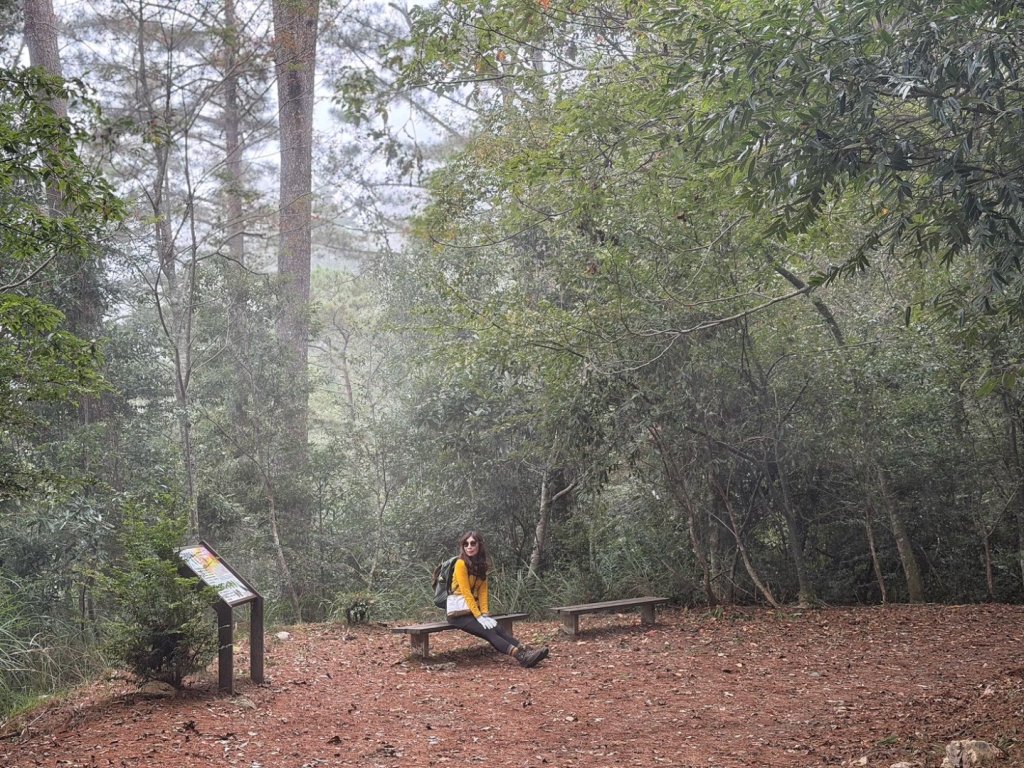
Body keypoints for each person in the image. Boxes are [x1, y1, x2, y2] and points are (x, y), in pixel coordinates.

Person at [446, 531, 548, 668]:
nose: (469, 547)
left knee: (497, 628)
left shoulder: (481, 566)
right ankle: (522, 657)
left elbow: (483, 592)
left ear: (479, 545)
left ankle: (526, 651)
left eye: (472, 543)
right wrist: (479, 616)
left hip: (472, 610)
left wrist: (485, 614)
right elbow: (466, 593)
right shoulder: (460, 564)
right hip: (458, 614)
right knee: (488, 631)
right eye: (466, 544)